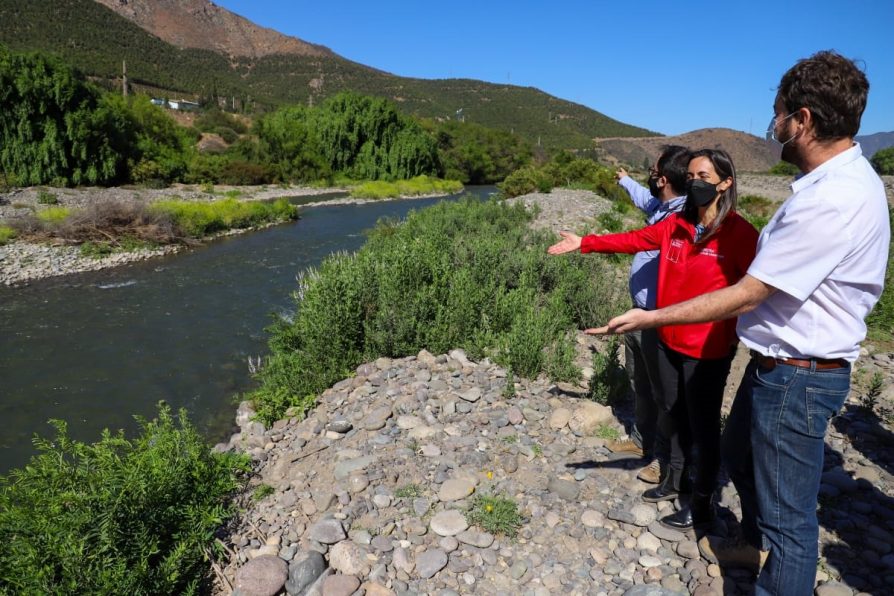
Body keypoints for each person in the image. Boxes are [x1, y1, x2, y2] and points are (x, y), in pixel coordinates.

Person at [591, 51, 890, 595]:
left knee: (790, 521)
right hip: (777, 365)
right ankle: (751, 544)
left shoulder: (832, 201)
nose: (772, 124)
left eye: (777, 113)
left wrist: (652, 314)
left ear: (802, 120)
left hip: (798, 374)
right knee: (737, 457)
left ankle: (775, 571)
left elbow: (746, 293)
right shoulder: (829, 188)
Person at [548, 149, 759, 531]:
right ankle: (674, 480)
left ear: (725, 183)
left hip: (708, 349)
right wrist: (586, 242)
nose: (695, 182)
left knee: (704, 425)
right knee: (672, 412)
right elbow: (634, 239)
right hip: (666, 340)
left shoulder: (741, 235)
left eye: (704, 176)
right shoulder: (676, 225)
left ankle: (701, 502)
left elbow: (754, 292)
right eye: (691, 175)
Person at [607, 145, 689, 485]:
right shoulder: (660, 205)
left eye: (654, 172)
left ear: (665, 179)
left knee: (665, 392)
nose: (651, 177)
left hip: (661, 317)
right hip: (639, 312)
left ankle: (666, 460)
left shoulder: (684, 217)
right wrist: (626, 180)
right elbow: (643, 198)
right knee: (640, 381)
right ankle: (641, 442)